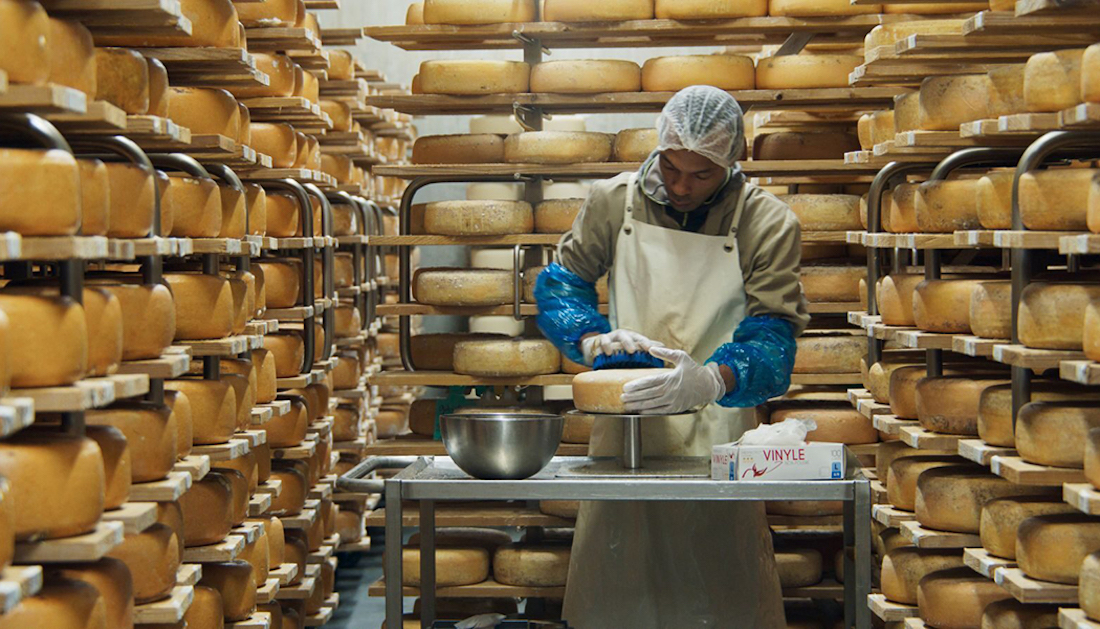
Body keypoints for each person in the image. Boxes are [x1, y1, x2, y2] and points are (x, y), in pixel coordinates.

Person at [534, 85, 810, 628]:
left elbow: (774, 337)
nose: (681, 186)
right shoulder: (615, 201)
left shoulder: (767, 222)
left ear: (734, 160)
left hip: (717, 428)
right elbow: (561, 286)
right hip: (627, 424)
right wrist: (589, 337)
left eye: (701, 174)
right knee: (619, 581)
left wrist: (710, 381)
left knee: (717, 587)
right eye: (671, 167)